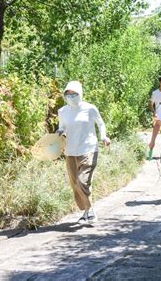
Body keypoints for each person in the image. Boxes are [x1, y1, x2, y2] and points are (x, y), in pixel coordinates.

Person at [57, 81, 111, 224]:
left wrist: (103, 136)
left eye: (74, 94)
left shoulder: (89, 108)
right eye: (68, 94)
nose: (71, 96)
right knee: (76, 185)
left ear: (80, 94)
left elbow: (101, 123)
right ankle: (86, 212)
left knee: (82, 180)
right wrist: (60, 132)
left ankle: (90, 209)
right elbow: (62, 127)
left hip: (88, 149)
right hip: (70, 151)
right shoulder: (62, 112)